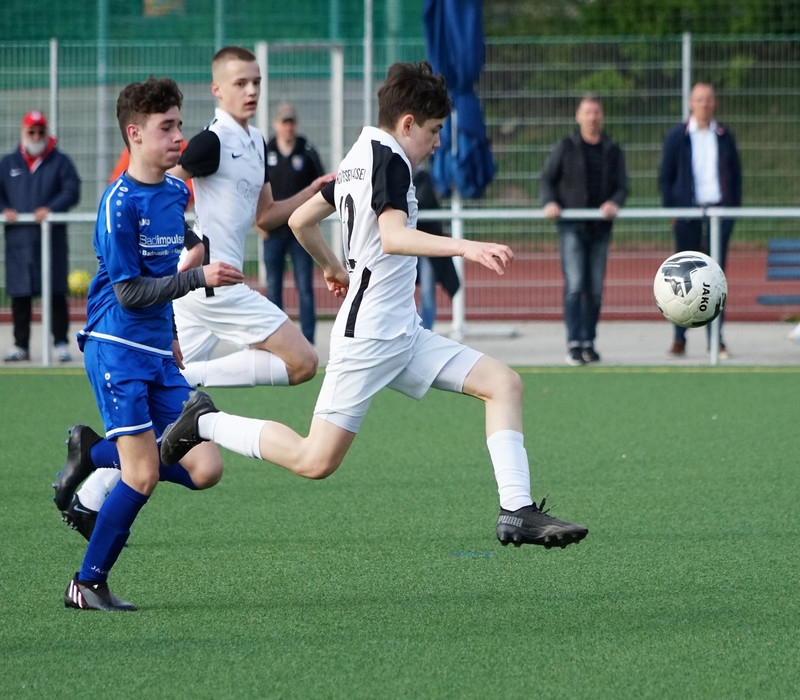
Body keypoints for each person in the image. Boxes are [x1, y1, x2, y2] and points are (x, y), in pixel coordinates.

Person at [160, 61, 588, 551]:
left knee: (503, 383)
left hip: (401, 332)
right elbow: (393, 236)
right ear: (407, 123)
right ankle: (204, 421)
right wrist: (465, 247)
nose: (437, 142)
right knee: (313, 461)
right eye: (434, 130)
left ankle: (517, 509)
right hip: (368, 338)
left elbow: (301, 220)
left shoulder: (358, 155)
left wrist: (332, 266)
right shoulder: (390, 159)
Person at [61, 77, 243, 611]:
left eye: (179, 125)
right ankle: (86, 583)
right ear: (135, 134)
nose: (178, 136)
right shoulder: (117, 204)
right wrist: (199, 277)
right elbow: (131, 292)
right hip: (115, 347)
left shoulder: (175, 193)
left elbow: (167, 265)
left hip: (158, 350)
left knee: (206, 469)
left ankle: (93, 452)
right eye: (166, 128)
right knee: (140, 474)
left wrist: (175, 336)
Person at [166, 46, 335, 389]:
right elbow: (158, 190)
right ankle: (191, 378)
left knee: (166, 389)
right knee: (303, 362)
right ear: (217, 89)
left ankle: (109, 434)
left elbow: (266, 216)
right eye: (241, 83)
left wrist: (311, 191)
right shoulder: (212, 141)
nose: (252, 91)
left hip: (203, 287)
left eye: (256, 82)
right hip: (214, 283)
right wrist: (191, 242)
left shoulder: (257, 141)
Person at [540, 94, 628, 365]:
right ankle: (574, 343)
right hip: (571, 227)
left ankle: (589, 341)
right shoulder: (566, 146)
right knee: (576, 284)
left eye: (596, 112)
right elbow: (547, 178)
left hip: (600, 229)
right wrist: (550, 202)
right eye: (587, 112)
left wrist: (614, 202)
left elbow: (622, 186)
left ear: (602, 116)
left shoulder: (612, 149)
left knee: (595, 288)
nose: (592, 117)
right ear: (578, 116)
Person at [0, 110, 81, 363]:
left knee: (55, 293)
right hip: (18, 240)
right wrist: (3, 209)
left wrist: (51, 209)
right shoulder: (9, 163)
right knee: (20, 294)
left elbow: (72, 190)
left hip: (51, 240)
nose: (36, 136)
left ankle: (61, 343)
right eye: (32, 131)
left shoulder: (60, 161)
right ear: (24, 132)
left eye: (41, 131)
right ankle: (21, 345)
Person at [659, 82, 742, 359]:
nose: (704, 104)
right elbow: (665, 176)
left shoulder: (724, 135)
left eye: (708, 99)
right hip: (688, 216)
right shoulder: (677, 137)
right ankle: (679, 338)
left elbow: (736, 176)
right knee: (682, 280)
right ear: (690, 103)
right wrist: (673, 211)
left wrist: (732, 210)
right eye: (699, 99)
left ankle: (716, 339)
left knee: (715, 280)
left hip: (719, 216)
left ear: (714, 102)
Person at [260, 102, 325, 344]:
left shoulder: (306, 151)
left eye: (291, 123)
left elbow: (322, 189)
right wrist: (258, 222)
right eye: (283, 123)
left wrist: (313, 221)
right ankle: (279, 340)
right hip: (272, 232)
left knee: (304, 286)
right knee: (273, 287)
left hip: (300, 234)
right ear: (276, 124)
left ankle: (308, 339)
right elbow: (254, 190)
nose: (288, 127)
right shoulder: (265, 151)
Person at [412, 163, 459, 330]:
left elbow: (421, 202)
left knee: (427, 290)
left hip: (426, 248)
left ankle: (426, 330)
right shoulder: (395, 176)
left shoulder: (423, 178)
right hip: (406, 247)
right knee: (400, 289)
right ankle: (409, 330)